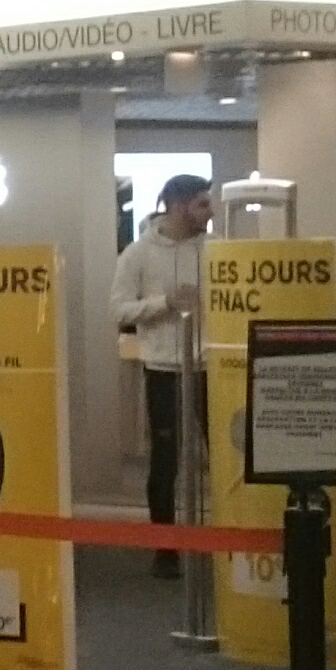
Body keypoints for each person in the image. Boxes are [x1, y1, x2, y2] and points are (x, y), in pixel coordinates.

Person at [110, 173, 213, 579]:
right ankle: (165, 549)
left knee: (227, 457)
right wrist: (165, 303)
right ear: (177, 205)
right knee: (165, 461)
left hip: (210, 369)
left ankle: (234, 546)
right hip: (163, 370)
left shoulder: (217, 249)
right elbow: (119, 310)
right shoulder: (137, 254)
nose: (209, 211)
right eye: (202, 204)